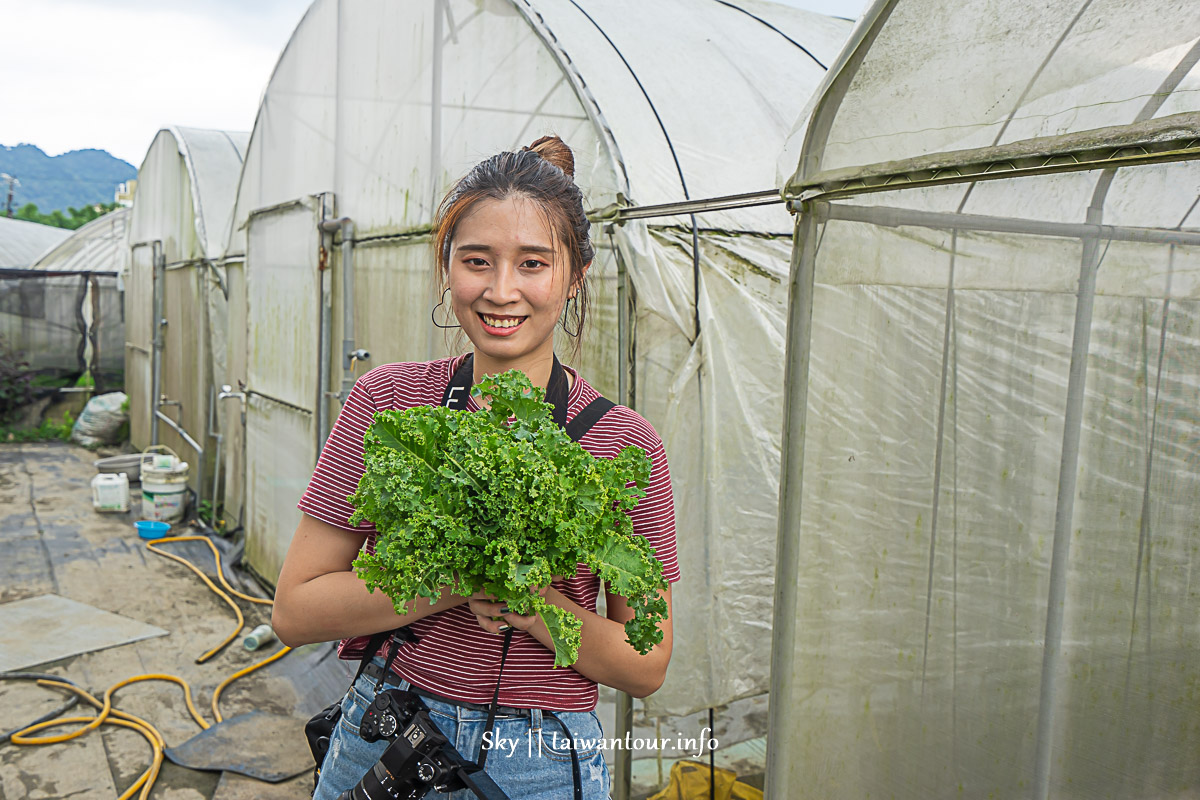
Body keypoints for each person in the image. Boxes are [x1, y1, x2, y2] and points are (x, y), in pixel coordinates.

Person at [272, 135, 681, 800]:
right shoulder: (389, 401)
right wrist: (462, 577)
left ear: (575, 276)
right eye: (477, 261)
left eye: (533, 264)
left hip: (539, 757)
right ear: (447, 269)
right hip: (388, 729)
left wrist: (530, 602)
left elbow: (646, 663)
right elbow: (295, 610)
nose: (500, 291)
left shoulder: (621, 443)